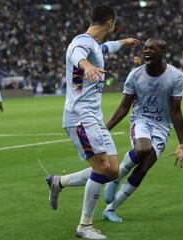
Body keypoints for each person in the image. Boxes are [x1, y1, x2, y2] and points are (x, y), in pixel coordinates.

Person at [45, 5, 140, 239]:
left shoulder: (96, 45)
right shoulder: (82, 42)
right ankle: (84, 226)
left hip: (94, 118)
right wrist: (86, 66)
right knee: (101, 168)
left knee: (113, 170)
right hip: (80, 117)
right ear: (110, 22)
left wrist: (124, 42)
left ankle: (59, 182)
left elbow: (106, 48)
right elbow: (76, 54)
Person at [101, 37, 183, 223]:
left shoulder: (175, 77)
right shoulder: (135, 75)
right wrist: (105, 128)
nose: (147, 51)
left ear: (162, 52)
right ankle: (115, 179)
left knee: (143, 168)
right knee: (143, 149)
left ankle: (110, 210)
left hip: (162, 126)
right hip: (141, 120)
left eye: (152, 48)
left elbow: (176, 112)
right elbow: (123, 107)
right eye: (146, 48)